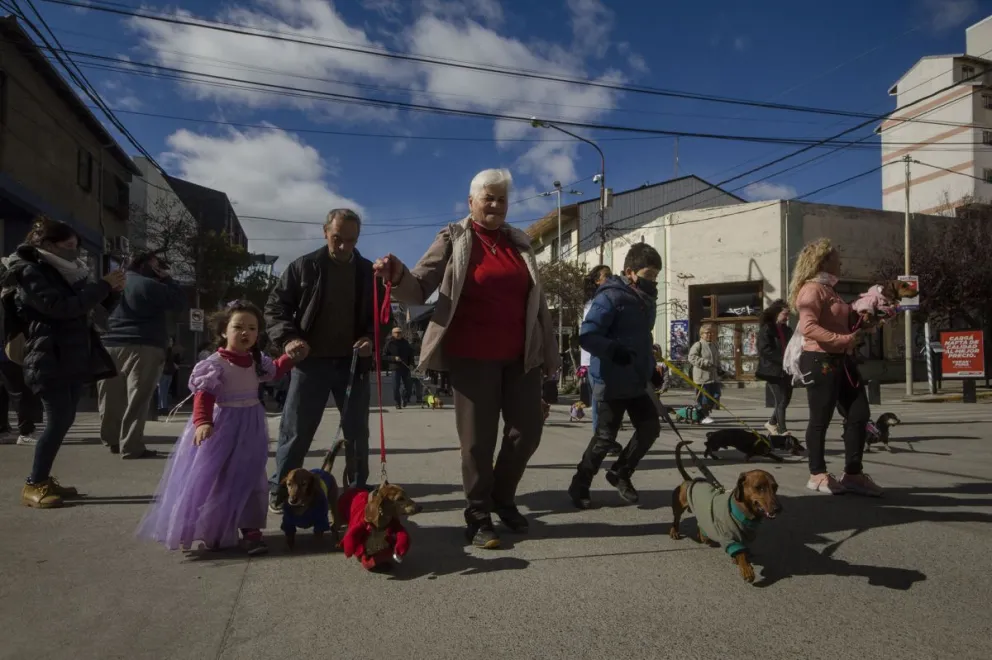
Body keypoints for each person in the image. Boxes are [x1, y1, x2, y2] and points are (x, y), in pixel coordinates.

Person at [374, 168, 559, 549]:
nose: (495, 205)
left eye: (502, 199)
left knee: (527, 431)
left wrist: (549, 353)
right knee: (477, 442)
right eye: (488, 198)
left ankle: (502, 497)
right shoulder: (454, 237)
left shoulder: (519, 242)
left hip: (521, 355)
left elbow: (537, 304)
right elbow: (420, 285)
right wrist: (396, 276)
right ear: (471, 202)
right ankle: (478, 515)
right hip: (472, 356)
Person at [136, 301, 294, 555]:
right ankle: (213, 530)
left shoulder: (257, 361)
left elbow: (274, 372)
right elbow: (204, 395)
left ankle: (251, 530)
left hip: (251, 425)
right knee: (217, 479)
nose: (246, 333)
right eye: (238, 326)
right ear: (223, 331)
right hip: (222, 427)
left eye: (252, 328)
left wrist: (290, 358)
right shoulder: (214, 363)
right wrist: (203, 422)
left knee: (252, 476)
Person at [265, 208, 388, 511]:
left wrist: (371, 339)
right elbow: (275, 307)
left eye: (351, 240)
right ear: (325, 232)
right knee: (295, 430)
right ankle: (282, 487)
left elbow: (383, 317)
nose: (345, 246)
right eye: (337, 239)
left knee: (357, 433)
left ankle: (357, 490)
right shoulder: (304, 267)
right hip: (310, 364)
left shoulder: (368, 273)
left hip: (352, 365)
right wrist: (289, 338)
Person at [0, 217, 125, 508]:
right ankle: (34, 483)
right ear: (46, 244)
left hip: (69, 356)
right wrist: (102, 287)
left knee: (64, 419)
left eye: (77, 246)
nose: (75, 252)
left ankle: (43, 477)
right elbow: (60, 308)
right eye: (69, 246)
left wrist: (112, 293)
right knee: (57, 421)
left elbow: (85, 308)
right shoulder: (30, 271)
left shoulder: (64, 273)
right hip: (47, 356)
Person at [568, 243, 663, 508]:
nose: (653, 280)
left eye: (656, 275)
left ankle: (621, 472)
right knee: (604, 439)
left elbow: (643, 339)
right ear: (631, 272)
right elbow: (587, 335)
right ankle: (580, 484)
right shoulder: (610, 296)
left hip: (636, 379)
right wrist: (613, 351)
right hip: (610, 380)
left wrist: (650, 369)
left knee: (650, 428)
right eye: (649, 274)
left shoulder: (647, 299)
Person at [789, 238, 880, 497]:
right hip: (820, 361)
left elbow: (842, 323)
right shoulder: (811, 290)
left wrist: (866, 320)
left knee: (859, 414)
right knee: (821, 419)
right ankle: (817, 474)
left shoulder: (831, 290)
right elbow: (808, 327)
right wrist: (843, 340)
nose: (841, 262)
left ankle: (853, 474)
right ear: (823, 261)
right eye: (837, 258)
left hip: (843, 359)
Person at [98, 252, 186, 459]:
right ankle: (131, 444)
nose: (160, 267)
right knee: (138, 398)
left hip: (109, 344)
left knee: (110, 396)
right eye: (156, 264)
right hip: (144, 345)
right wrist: (167, 278)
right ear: (147, 265)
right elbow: (180, 303)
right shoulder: (150, 285)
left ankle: (111, 439)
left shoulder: (111, 283)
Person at [580, 265, 620, 453]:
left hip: (608, 357)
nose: (611, 278)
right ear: (597, 281)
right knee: (600, 401)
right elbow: (590, 334)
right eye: (607, 276)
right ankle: (601, 439)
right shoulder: (594, 303)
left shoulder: (609, 299)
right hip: (594, 359)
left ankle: (606, 437)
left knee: (609, 401)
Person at [755, 299, 794, 435]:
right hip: (772, 370)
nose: (787, 317)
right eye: (785, 313)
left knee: (786, 399)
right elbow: (764, 349)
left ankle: (771, 423)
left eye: (789, 314)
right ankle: (783, 431)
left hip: (787, 369)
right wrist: (782, 359)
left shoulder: (788, 330)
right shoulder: (767, 328)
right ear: (777, 313)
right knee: (781, 400)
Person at [688, 323, 726, 425]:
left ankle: (705, 414)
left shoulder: (714, 345)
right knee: (704, 398)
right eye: (707, 333)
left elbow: (717, 360)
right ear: (701, 334)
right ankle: (703, 416)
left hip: (713, 377)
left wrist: (720, 369)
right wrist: (704, 362)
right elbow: (691, 357)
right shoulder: (698, 345)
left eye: (712, 333)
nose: (710, 335)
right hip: (702, 377)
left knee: (715, 395)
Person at [383, 326, 415, 409]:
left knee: (408, 386)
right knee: (395, 387)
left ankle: (405, 398)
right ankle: (397, 402)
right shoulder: (389, 343)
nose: (398, 334)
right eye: (396, 333)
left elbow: (411, 354)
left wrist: (412, 364)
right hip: (395, 368)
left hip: (406, 367)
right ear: (393, 334)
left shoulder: (405, 342)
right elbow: (384, 356)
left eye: (400, 332)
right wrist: (394, 358)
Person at [158, 337, 181, 414]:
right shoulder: (165, 350)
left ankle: (163, 406)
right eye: (169, 341)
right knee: (162, 390)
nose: (171, 342)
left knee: (165, 390)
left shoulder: (170, 351)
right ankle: (162, 407)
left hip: (169, 372)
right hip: (164, 372)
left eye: (171, 341)